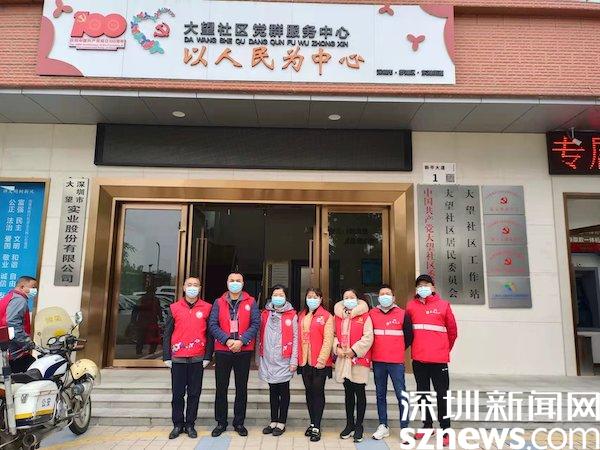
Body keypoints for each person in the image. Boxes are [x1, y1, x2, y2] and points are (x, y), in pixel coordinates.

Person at [406, 274, 458, 447]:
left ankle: (446, 429)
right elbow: (408, 332)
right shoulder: (411, 306)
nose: (423, 288)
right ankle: (428, 426)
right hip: (419, 359)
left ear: (433, 287)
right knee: (423, 394)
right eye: (420, 285)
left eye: (426, 284)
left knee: (442, 395)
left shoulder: (443, 305)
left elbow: (452, 332)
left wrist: (443, 350)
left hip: (439, 360)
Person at [209, 272, 260, 437]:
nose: (235, 283)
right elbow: (213, 324)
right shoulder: (218, 302)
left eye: (238, 281)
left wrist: (242, 341)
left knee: (241, 388)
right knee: (221, 388)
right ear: (227, 282)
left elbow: (255, 323)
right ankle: (221, 422)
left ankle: (239, 422)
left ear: (243, 283)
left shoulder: (251, 302)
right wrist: (227, 340)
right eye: (232, 280)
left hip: (243, 350)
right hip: (223, 350)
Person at [163, 277, 213, 440]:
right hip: (178, 358)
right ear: (184, 287)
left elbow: (210, 335)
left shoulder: (207, 308)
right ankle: (177, 424)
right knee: (177, 394)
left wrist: (207, 356)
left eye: (195, 285)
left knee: (194, 394)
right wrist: (166, 356)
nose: (192, 287)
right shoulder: (174, 307)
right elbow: (167, 333)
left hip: (197, 358)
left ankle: (190, 424)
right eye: (189, 285)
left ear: (200, 288)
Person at [369, 284, 413, 440]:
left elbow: (409, 336)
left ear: (393, 297)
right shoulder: (372, 314)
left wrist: (398, 348)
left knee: (402, 395)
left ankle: (405, 428)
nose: (385, 296)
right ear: (378, 297)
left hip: (396, 362)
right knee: (380, 394)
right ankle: (383, 425)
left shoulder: (403, 314)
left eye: (388, 294)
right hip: (378, 361)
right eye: (382, 294)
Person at [333, 289, 373, 443]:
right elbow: (333, 335)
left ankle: (359, 426)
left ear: (357, 299)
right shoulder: (337, 316)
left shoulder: (365, 316)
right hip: (344, 359)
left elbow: (368, 337)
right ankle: (349, 424)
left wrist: (354, 350)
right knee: (348, 393)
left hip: (358, 359)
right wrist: (337, 347)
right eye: (346, 297)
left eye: (352, 297)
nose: (349, 299)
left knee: (360, 392)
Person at [257, 285, 298, 437]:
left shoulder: (292, 315)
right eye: (275, 294)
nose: (278, 297)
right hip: (268, 358)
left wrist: (294, 360)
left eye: (281, 295)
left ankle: (282, 421)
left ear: (286, 297)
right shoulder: (265, 314)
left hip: (284, 359)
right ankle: (273, 420)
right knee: (272, 390)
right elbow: (259, 336)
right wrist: (259, 357)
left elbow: (295, 338)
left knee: (284, 390)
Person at [297, 287, 333, 442]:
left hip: (319, 362)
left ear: (321, 298)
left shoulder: (326, 316)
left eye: (315, 297)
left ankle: (317, 426)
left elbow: (328, 340)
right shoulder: (301, 315)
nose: (312, 299)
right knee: (309, 392)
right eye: (309, 296)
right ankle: (312, 423)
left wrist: (322, 359)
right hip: (305, 361)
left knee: (318, 392)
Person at [0, 276, 37, 373]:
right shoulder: (19, 300)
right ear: (22, 287)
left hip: (8, 349)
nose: (35, 290)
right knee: (35, 370)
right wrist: (27, 342)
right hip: (14, 352)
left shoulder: (10, 297)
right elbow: (12, 324)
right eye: (33, 287)